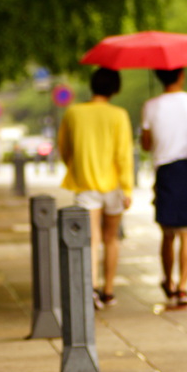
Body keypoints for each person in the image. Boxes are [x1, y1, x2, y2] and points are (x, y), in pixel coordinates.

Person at [56, 67, 135, 308]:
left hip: (85, 184)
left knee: (91, 238)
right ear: (116, 89)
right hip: (114, 186)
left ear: (92, 86)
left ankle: (91, 289)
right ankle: (109, 290)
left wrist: (76, 166)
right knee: (111, 239)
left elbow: (64, 148)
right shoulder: (118, 115)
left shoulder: (73, 113)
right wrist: (128, 188)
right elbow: (124, 154)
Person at [140, 67, 187, 308]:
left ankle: (169, 281)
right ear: (181, 75)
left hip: (166, 172)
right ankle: (183, 287)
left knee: (168, 232)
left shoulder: (151, 105)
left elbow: (146, 144)